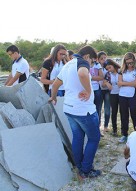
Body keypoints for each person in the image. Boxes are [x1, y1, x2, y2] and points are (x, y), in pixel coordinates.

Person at [49, 45, 101, 179]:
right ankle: (86, 170)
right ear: (88, 56)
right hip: (84, 110)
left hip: (69, 108)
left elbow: (55, 85)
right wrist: (89, 91)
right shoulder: (82, 62)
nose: (91, 64)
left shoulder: (67, 65)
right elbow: (83, 73)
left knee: (78, 137)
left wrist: (53, 97)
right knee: (94, 138)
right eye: (93, 61)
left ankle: (80, 166)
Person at [118, 52, 136, 143]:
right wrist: (131, 84)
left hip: (133, 95)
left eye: (131, 63)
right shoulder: (121, 70)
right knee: (124, 115)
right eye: (128, 63)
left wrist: (124, 83)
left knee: (134, 114)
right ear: (125, 62)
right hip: (122, 95)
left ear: (134, 61)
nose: (130, 65)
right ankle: (124, 134)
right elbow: (119, 83)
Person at [102, 59, 121, 136]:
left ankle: (124, 130)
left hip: (122, 94)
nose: (109, 70)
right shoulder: (108, 74)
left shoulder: (121, 71)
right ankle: (114, 130)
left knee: (123, 112)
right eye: (107, 69)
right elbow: (103, 84)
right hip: (113, 94)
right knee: (114, 112)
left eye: (110, 67)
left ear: (113, 64)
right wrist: (106, 83)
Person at [89, 56, 104, 131]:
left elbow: (101, 77)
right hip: (88, 90)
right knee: (88, 109)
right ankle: (90, 129)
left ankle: (97, 128)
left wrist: (89, 77)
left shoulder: (97, 65)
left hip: (97, 89)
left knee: (98, 109)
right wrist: (95, 77)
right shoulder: (84, 65)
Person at [98, 51, 111, 134]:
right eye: (101, 58)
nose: (103, 60)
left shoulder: (109, 67)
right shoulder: (97, 67)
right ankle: (98, 126)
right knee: (98, 109)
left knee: (107, 109)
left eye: (105, 58)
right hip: (99, 89)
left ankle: (106, 126)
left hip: (107, 90)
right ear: (98, 59)